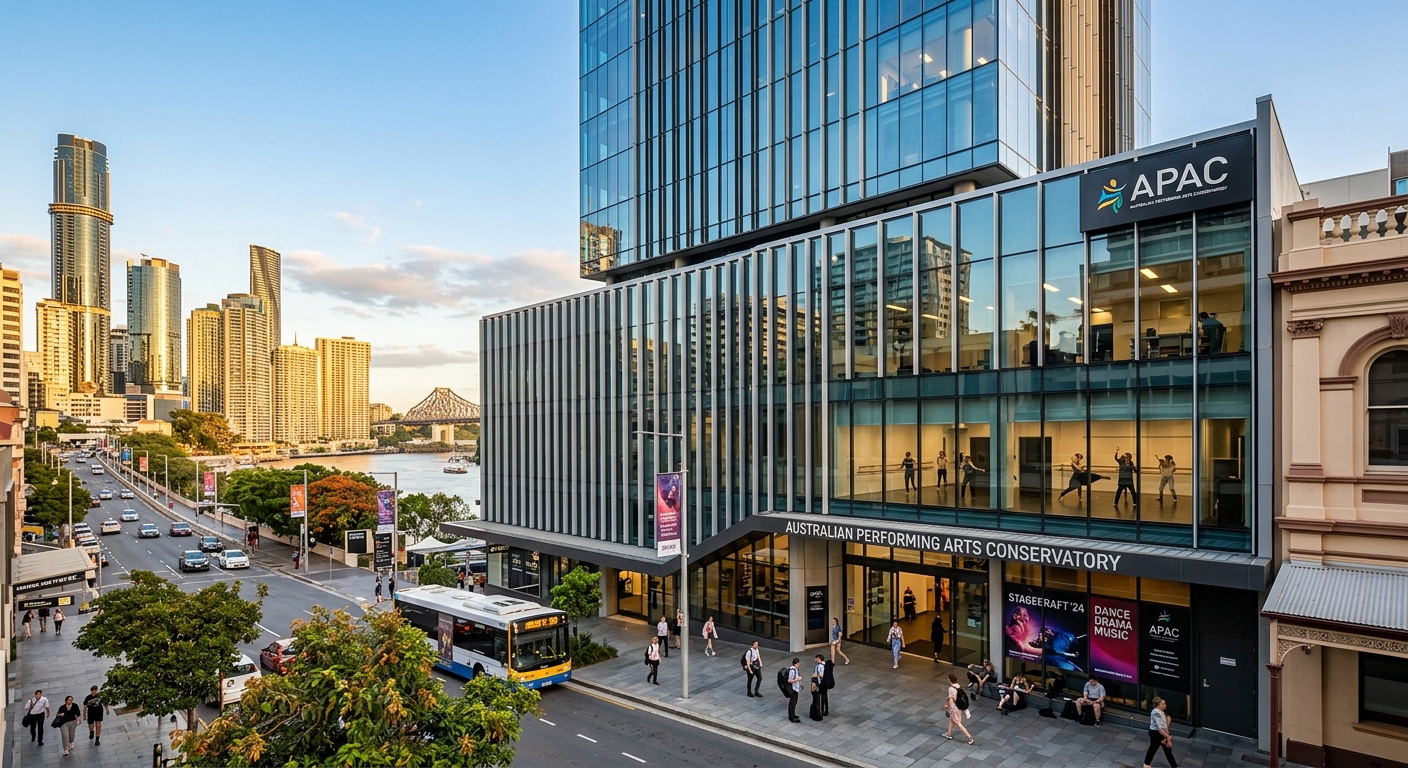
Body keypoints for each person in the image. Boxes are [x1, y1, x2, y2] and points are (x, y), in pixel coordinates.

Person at [1143, 696, 1178, 768]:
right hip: (1155, 733)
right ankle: (1146, 764)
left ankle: (1146, 764)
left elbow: (1165, 724)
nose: (1165, 705)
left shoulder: (1161, 712)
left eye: (1165, 704)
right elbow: (1160, 728)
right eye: (1163, 704)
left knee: (1161, 749)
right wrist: (1167, 737)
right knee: (1154, 748)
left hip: (1159, 733)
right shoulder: (1156, 712)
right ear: (1157, 705)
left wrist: (1167, 734)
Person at [944, 674, 975, 745]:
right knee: (952, 720)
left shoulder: (951, 689)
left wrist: (947, 704)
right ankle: (949, 734)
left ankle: (970, 737)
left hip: (954, 708)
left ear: (950, 680)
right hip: (958, 708)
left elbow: (952, 698)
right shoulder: (957, 686)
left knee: (958, 723)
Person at [809, 654, 826, 721]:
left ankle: (817, 714)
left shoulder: (821, 666)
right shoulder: (818, 665)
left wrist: (816, 675)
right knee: (816, 699)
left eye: (817, 659)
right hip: (816, 681)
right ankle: (816, 714)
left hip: (818, 681)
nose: (816, 660)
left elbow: (822, 675)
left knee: (816, 699)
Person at [786, 658, 802, 723]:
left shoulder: (796, 669)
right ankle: (791, 716)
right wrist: (797, 679)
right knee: (792, 702)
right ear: (796, 664)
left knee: (794, 702)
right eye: (798, 663)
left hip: (796, 688)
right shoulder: (792, 670)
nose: (799, 665)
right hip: (793, 688)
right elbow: (789, 680)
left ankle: (793, 714)